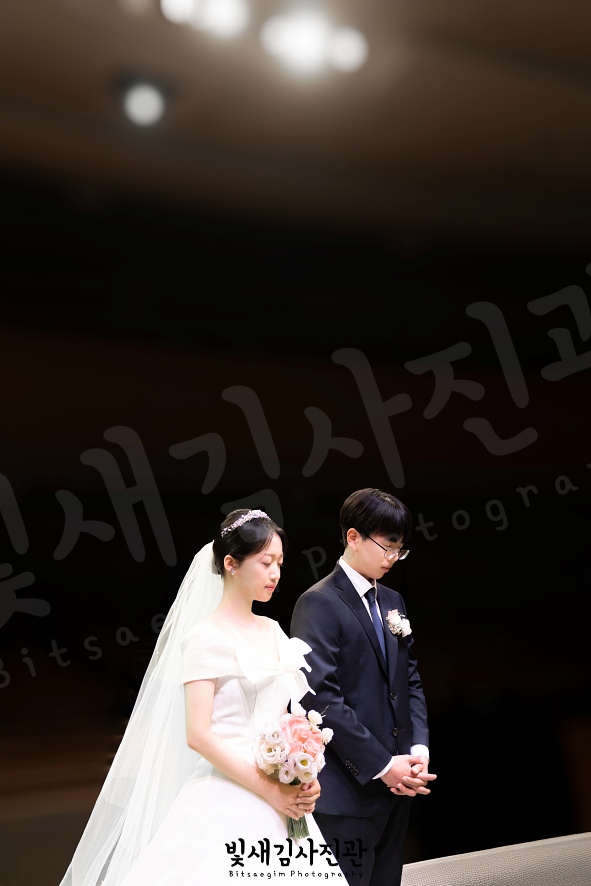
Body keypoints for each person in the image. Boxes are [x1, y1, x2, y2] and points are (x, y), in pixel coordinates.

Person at [59, 509, 343, 885]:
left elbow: (286, 722)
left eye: (280, 563)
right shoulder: (204, 636)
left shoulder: (274, 629)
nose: (275, 573)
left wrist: (303, 776)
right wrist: (270, 790)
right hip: (225, 794)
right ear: (231, 564)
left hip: (282, 799)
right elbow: (198, 735)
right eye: (265, 562)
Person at [290, 488, 436, 886]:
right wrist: (383, 766)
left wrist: (418, 750)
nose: (392, 558)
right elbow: (319, 697)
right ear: (353, 537)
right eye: (387, 547)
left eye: (400, 550)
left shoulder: (392, 600)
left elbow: (409, 681)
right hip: (346, 795)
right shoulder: (318, 602)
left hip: (397, 791)